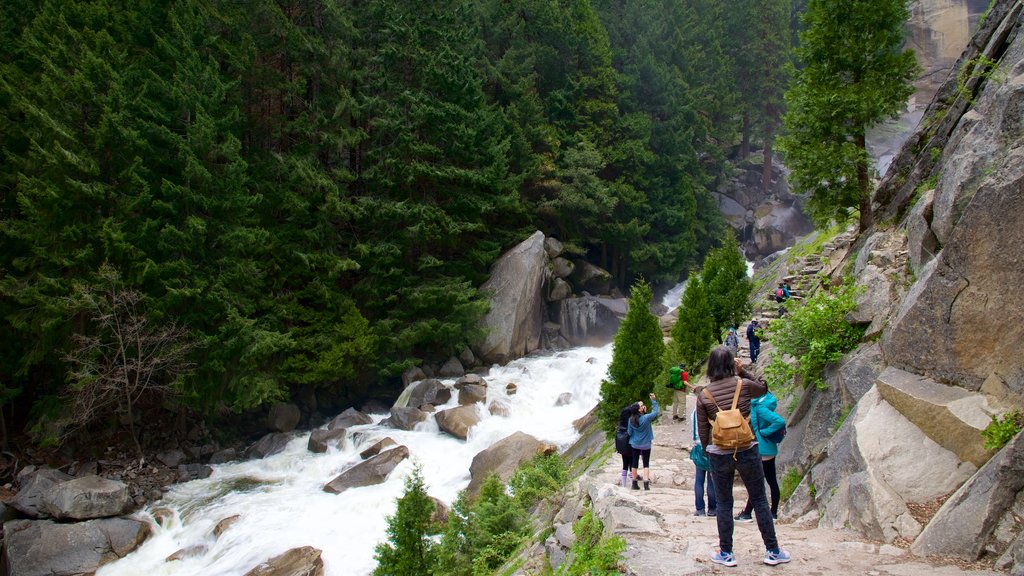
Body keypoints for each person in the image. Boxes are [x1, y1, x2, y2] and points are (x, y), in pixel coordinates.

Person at [696, 346, 791, 567]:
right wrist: (743, 371)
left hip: (719, 453)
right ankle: (773, 551)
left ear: (710, 367)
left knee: (724, 503)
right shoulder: (744, 385)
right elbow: (763, 390)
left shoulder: (704, 395)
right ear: (732, 364)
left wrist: (707, 450)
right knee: (759, 499)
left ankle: (726, 553)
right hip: (747, 448)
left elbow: (703, 431)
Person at [735, 384, 786, 522]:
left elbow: (779, 421)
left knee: (756, 482)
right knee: (771, 480)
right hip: (769, 448)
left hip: (762, 449)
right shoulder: (765, 402)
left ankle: (747, 513)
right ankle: (773, 512)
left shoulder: (760, 407)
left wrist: (763, 432)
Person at [627, 393, 660, 490]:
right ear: (639, 409)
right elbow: (655, 412)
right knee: (646, 463)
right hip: (646, 444)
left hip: (634, 444)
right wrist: (653, 400)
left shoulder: (631, 420)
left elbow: (629, 432)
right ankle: (646, 483)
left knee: (634, 462)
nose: (643, 406)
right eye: (642, 406)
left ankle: (634, 483)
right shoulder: (646, 418)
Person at [691, 405, 716, 517]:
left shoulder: (694, 413)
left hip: (698, 446)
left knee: (699, 479)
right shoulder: (710, 412)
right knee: (711, 480)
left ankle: (700, 509)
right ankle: (712, 508)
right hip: (710, 446)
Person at [615, 403, 637, 488]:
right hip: (630, 447)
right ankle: (632, 484)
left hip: (623, 447)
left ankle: (624, 485)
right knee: (632, 465)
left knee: (625, 465)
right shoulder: (631, 423)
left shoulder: (621, 425)